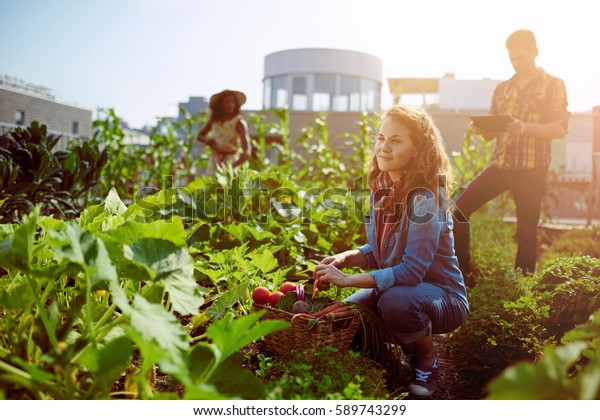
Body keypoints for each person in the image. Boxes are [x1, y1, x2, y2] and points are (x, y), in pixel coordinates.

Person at [313, 105, 469, 397]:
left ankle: (424, 357)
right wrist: (346, 258)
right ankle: (403, 347)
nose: (384, 147)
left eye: (396, 140)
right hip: (402, 287)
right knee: (349, 313)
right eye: (381, 138)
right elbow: (378, 248)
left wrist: (347, 279)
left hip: (443, 297)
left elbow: (411, 272)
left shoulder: (426, 199)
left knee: (396, 303)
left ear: (417, 149)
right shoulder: (380, 190)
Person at [453, 29, 570, 285]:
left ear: (535, 52)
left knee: (526, 233)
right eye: (512, 59)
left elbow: (560, 129)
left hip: (532, 169)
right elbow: (491, 135)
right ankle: (463, 276)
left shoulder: (553, 84)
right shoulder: (502, 89)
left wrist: (526, 127)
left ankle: (522, 287)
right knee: (457, 209)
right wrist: (483, 130)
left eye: (522, 58)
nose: (517, 63)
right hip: (501, 166)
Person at [196, 89, 251, 175]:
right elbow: (200, 136)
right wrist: (208, 141)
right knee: (212, 186)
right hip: (215, 160)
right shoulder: (214, 122)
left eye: (232, 102)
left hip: (231, 162)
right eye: (226, 102)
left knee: (228, 186)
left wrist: (232, 167)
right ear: (220, 105)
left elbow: (247, 152)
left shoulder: (239, 123)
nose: (230, 105)